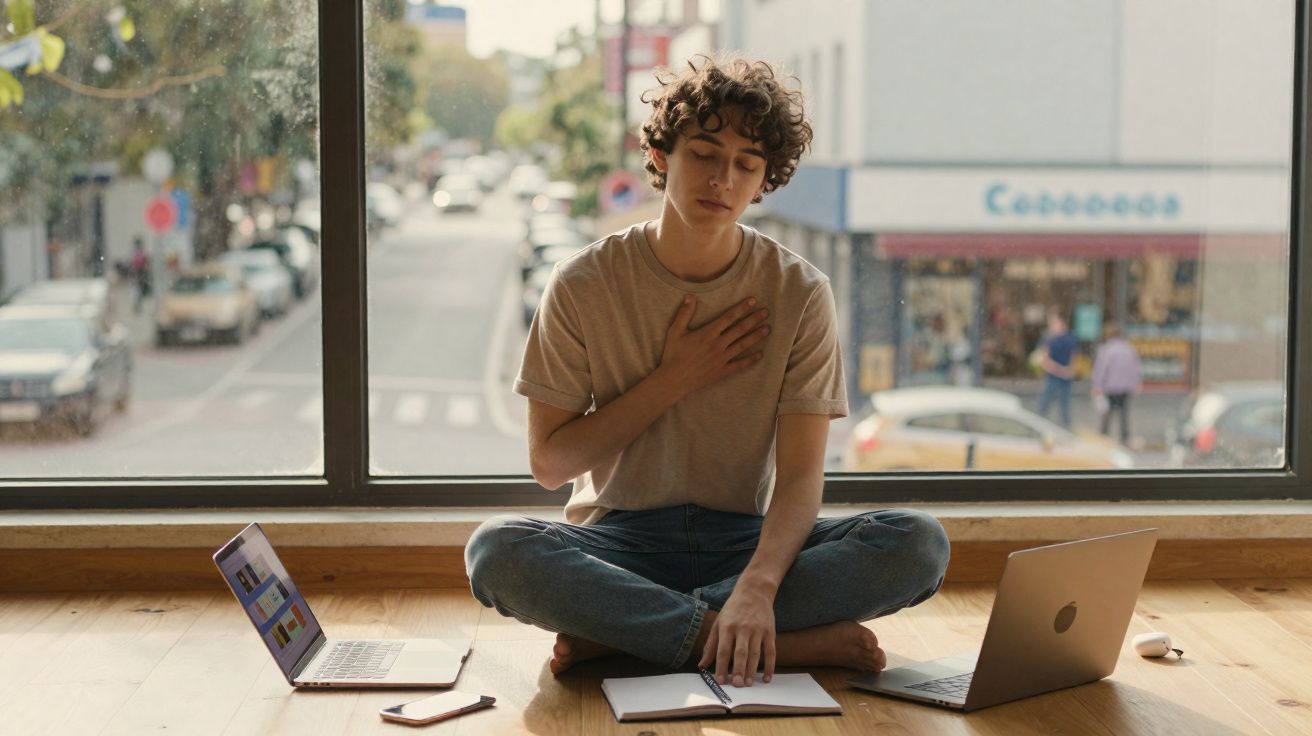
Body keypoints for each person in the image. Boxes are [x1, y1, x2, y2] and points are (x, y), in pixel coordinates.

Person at [464, 55, 950, 690]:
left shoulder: (799, 291)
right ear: (662, 155)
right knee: (497, 552)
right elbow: (551, 465)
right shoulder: (583, 281)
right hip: (619, 544)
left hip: (746, 542)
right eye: (704, 153)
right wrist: (675, 377)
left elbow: (802, 479)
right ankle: (777, 644)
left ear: (763, 181)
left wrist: (758, 586)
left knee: (918, 543)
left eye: (747, 164)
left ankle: (633, 635)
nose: (723, 178)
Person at [1091, 322, 1141, 444]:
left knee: (1107, 412)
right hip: (1125, 386)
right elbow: (1135, 367)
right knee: (1124, 413)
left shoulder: (1106, 349)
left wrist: (1097, 384)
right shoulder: (1129, 348)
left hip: (1110, 386)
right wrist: (1136, 383)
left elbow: (1102, 368)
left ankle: (1103, 436)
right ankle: (1125, 437)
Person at [1035, 309, 1078, 428]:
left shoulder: (1067, 338)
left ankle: (1064, 427)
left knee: (1062, 405)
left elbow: (1073, 358)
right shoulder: (1050, 338)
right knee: (1045, 403)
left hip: (1061, 377)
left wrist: (1066, 370)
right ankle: (1039, 426)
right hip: (1054, 376)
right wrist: (1062, 370)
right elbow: (1044, 359)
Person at [130, 237, 151, 313]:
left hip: (141, 275)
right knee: (139, 291)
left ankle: (140, 306)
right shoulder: (138, 254)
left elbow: (143, 263)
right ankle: (139, 306)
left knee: (140, 291)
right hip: (140, 275)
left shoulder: (138, 254)